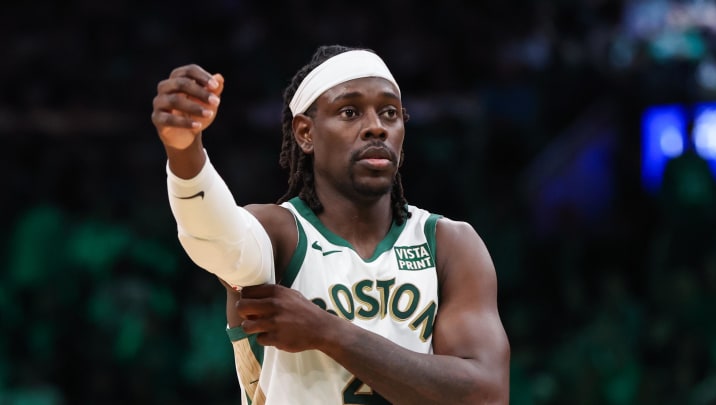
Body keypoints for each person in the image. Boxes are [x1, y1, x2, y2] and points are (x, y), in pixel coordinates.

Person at [151, 44, 510, 404]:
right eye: (350, 112)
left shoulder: (449, 243)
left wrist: (329, 332)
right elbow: (212, 236)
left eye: (389, 113)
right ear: (305, 133)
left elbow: (486, 395)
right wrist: (185, 152)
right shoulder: (280, 234)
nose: (376, 128)